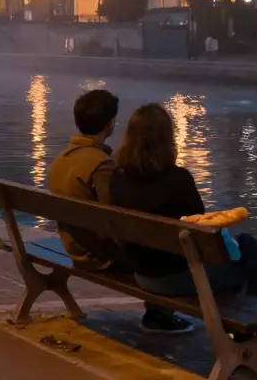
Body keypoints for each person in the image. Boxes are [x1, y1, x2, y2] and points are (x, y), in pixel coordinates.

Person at [108, 103, 257, 335]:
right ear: (166, 139)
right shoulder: (178, 180)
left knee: (245, 250)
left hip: (142, 274)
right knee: (249, 259)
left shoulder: (117, 177)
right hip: (175, 279)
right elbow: (203, 229)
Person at [47, 89, 193, 334]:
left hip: (74, 245)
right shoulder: (101, 165)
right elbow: (118, 215)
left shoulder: (62, 159)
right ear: (110, 124)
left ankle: (159, 312)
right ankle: (158, 314)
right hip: (98, 255)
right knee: (151, 245)